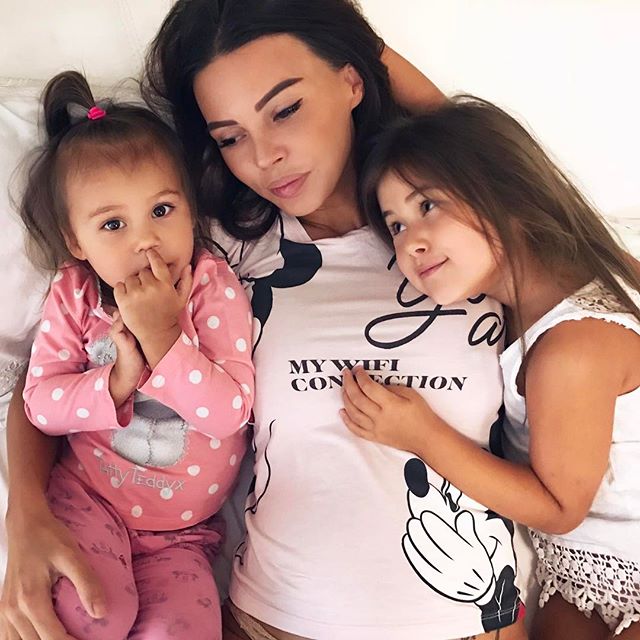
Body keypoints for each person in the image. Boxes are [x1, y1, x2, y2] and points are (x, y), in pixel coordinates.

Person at [0, 2, 530, 640]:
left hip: (467, 618)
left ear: (353, 80)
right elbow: (49, 376)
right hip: (275, 620)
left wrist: (335, 31)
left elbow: (485, 157)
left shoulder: (464, 217)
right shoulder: (216, 248)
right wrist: (26, 519)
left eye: (286, 109)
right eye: (230, 137)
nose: (266, 156)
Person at [341, 97, 640, 639]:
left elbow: (559, 507)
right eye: (396, 225)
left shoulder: (572, 349)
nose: (411, 243)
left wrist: (423, 436)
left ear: (506, 189)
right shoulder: (543, 291)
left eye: (427, 205)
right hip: (582, 569)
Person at [14, 70, 255, 640]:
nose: (145, 240)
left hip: (183, 536)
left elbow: (229, 413)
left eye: (162, 211)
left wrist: (164, 336)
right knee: (91, 615)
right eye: (113, 224)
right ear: (76, 241)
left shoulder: (210, 286)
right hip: (87, 502)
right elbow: (40, 405)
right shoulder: (75, 294)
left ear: (191, 212)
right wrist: (118, 380)